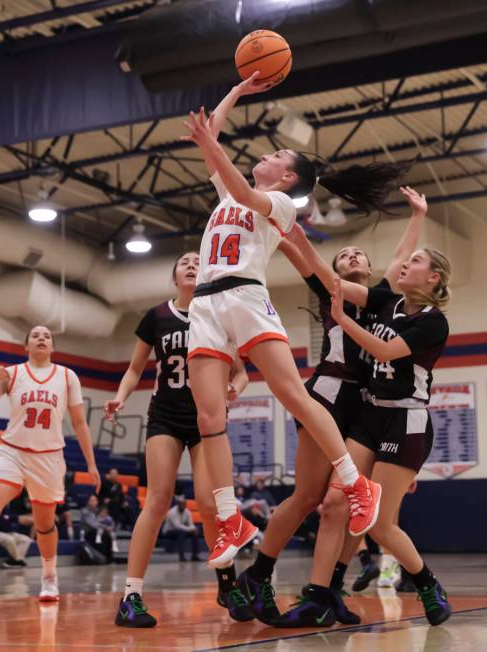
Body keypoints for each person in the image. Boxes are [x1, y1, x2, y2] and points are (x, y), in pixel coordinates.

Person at [180, 78, 410, 569]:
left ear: (287, 178)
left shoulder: (281, 205)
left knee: (293, 395)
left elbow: (233, 174)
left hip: (244, 295)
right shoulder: (228, 196)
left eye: (278, 153)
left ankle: (353, 482)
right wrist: (239, 88)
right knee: (208, 419)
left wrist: (209, 143)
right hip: (205, 306)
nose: (267, 154)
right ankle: (230, 519)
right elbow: (214, 134)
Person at [238, 186, 427, 625]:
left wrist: (417, 216)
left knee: (342, 506)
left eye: (361, 253)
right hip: (327, 391)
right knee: (307, 496)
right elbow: (294, 248)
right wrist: (281, 224)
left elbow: (402, 256)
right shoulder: (331, 288)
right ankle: (259, 573)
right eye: (346, 254)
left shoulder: (383, 297)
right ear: (336, 267)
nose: (354, 256)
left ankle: (328, 590)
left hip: (362, 405)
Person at [277, 246, 453, 627]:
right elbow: (334, 282)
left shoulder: (435, 322)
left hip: (406, 421)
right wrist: (289, 233)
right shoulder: (387, 301)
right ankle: (322, 595)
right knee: (337, 504)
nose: (406, 263)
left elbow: (386, 352)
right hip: (369, 418)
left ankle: (426, 582)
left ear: (433, 277)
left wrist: (342, 318)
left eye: (416, 261)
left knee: (379, 523)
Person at [105, 250, 251, 628]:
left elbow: (241, 373)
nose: (191, 265)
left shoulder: (217, 315)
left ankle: (227, 584)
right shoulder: (157, 316)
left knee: (209, 502)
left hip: (207, 421)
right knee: (157, 499)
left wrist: (233, 388)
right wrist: (120, 397)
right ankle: (131, 596)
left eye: (197, 262)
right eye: (183, 261)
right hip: (166, 416)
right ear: (174, 277)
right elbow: (135, 369)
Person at [0, 325, 100, 608]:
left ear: (52, 347)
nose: (41, 338)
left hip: (48, 456)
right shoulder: (12, 374)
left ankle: (49, 578)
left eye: (47, 336)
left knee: (45, 524)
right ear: (26, 345)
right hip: (12, 452)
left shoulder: (66, 376)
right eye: (35, 335)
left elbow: (79, 422)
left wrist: (91, 463)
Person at [162, 497, 201, 562]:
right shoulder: (172, 512)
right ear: (178, 504)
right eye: (181, 504)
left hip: (182, 530)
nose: (182, 505)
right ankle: (181, 556)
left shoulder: (187, 512)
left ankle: (194, 556)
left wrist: (193, 529)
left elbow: (190, 523)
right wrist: (190, 529)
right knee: (181, 533)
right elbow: (177, 526)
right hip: (169, 531)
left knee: (195, 533)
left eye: (184, 504)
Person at [80, 494, 116, 562]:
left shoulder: (98, 511)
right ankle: (102, 556)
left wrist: (110, 527)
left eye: (95, 500)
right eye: (91, 500)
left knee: (108, 535)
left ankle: (110, 558)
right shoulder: (85, 511)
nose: (93, 502)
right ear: (88, 502)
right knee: (101, 534)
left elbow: (108, 519)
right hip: (88, 533)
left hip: (98, 531)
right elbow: (94, 525)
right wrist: (106, 527)